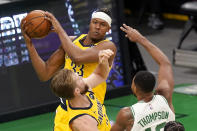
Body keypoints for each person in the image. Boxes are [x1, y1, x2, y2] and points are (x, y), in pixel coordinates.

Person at [21, 8, 116, 131]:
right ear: (90, 23)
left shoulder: (108, 46)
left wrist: (59, 29)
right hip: (68, 109)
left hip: (92, 108)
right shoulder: (71, 42)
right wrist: (29, 45)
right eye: (95, 22)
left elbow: (78, 57)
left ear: (108, 29)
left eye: (103, 24)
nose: (97, 27)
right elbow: (44, 73)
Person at [111, 24, 175, 131]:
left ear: (134, 87)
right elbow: (165, 63)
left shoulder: (127, 115)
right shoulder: (165, 96)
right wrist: (140, 39)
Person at [50, 49, 114, 131]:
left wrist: (103, 61)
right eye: (78, 78)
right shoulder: (83, 122)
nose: (81, 77)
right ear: (77, 91)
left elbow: (99, 76)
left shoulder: (82, 90)